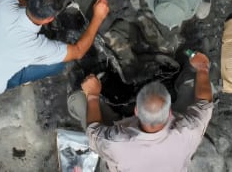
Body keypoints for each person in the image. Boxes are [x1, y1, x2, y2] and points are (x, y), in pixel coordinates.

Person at [68, 51, 214, 172]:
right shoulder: (189, 130)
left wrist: (92, 95)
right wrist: (202, 68)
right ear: (169, 112)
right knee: (197, 84)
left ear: (136, 111)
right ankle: (186, 68)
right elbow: (204, 104)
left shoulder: (116, 143)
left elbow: (93, 131)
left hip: (122, 142)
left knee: (77, 99)